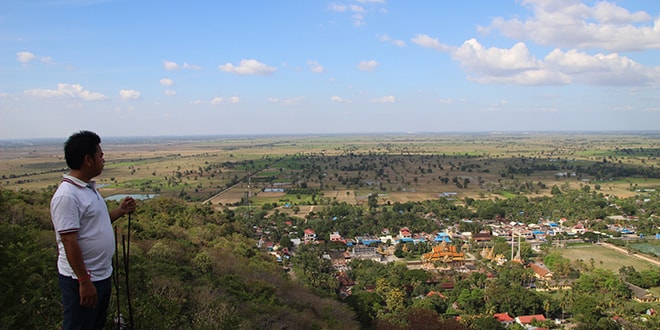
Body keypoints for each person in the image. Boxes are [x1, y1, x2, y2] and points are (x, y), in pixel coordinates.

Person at [50, 130, 136, 330]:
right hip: (81, 280)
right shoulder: (67, 195)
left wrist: (121, 211)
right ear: (88, 160)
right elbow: (69, 241)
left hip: (100, 275)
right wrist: (83, 281)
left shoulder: (88, 188)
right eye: (100, 154)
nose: (103, 158)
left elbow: (99, 223)